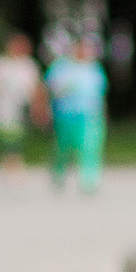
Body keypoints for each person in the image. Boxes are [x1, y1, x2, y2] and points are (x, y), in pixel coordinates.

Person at [0, 30, 49, 177]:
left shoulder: (29, 66)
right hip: (0, 110)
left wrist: (40, 110)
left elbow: (36, 90)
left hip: (21, 111)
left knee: (16, 140)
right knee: (7, 140)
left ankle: (9, 168)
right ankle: (10, 169)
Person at [47, 32, 108, 194]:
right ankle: (58, 176)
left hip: (89, 116)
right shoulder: (61, 67)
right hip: (66, 116)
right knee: (63, 149)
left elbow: (100, 95)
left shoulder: (94, 69)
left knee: (90, 148)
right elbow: (53, 89)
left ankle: (89, 181)